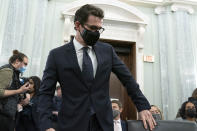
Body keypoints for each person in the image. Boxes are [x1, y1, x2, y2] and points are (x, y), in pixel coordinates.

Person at [38, 4, 156, 131]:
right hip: (71, 123)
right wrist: (46, 125)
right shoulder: (57, 55)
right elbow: (45, 93)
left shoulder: (107, 51)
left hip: (102, 123)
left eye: (99, 29)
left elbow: (128, 80)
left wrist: (142, 106)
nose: (96, 33)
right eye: (92, 28)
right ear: (78, 25)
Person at [0, 50, 30, 131]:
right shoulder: (8, 71)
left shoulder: (15, 73)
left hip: (8, 116)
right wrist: (19, 91)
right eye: (25, 64)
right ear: (17, 61)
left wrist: (22, 98)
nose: (25, 67)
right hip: (2, 116)